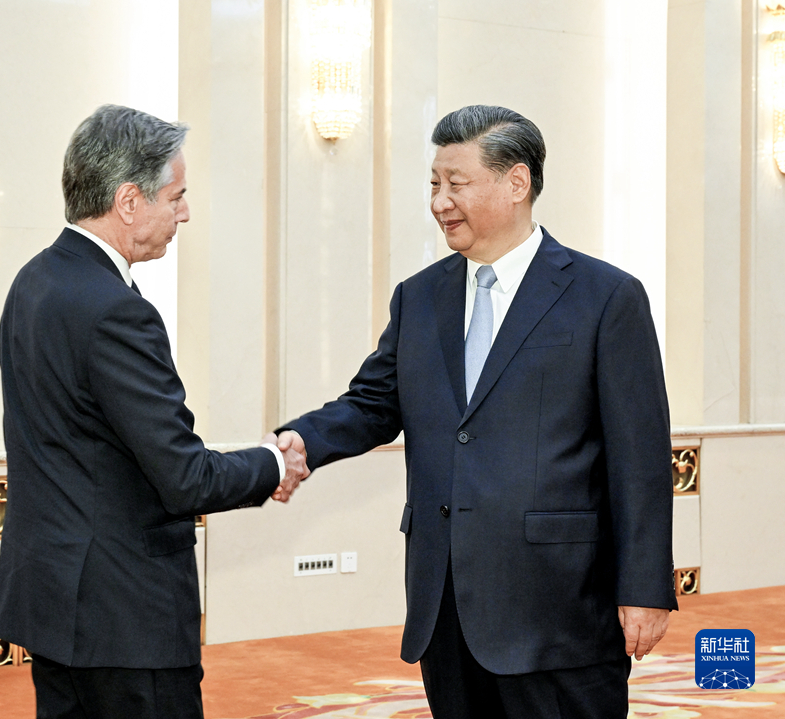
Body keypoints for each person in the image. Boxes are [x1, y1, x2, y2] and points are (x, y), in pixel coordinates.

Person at [276, 105, 677, 718]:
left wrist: (645, 587)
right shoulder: (420, 296)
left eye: (456, 183)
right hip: (446, 607)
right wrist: (302, 442)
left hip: (560, 609)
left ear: (516, 183)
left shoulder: (606, 297)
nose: (439, 202)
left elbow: (640, 457)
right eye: (434, 183)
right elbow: (373, 403)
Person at [0, 104, 307, 719]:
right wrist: (274, 463)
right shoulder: (116, 310)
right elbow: (185, 478)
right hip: (125, 617)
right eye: (177, 196)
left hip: (55, 604)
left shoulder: (35, 281)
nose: (184, 213)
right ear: (130, 201)